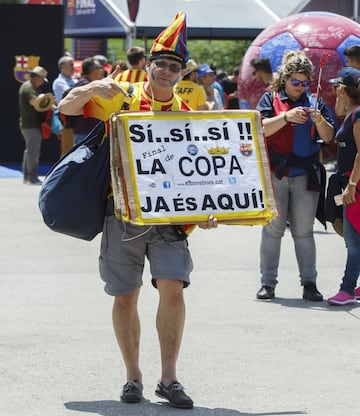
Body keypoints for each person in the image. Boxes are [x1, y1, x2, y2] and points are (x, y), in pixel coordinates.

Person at [59, 12, 217, 408]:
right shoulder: (121, 98)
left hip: (168, 220)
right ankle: (133, 376)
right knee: (125, 296)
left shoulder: (186, 115)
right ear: (149, 65)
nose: (166, 70)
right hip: (122, 214)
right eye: (160, 63)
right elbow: (68, 106)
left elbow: (199, 170)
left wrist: (209, 208)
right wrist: (96, 83)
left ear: (183, 74)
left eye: (174, 66)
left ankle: (169, 378)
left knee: (173, 288)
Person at [255, 50, 335, 301]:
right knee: (272, 231)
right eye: (295, 82)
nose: (300, 87)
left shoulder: (315, 101)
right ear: (284, 79)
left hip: (305, 176)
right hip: (276, 174)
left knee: (303, 232)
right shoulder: (270, 99)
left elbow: (329, 135)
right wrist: (286, 117)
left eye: (304, 83)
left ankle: (309, 284)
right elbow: (259, 129)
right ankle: (268, 283)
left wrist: (320, 119)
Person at [327, 67, 360, 305]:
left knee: (353, 241)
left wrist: (351, 185)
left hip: (355, 184)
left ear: (345, 89)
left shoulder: (358, 115)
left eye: (338, 88)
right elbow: (339, 110)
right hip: (350, 182)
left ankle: (347, 289)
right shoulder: (353, 112)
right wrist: (342, 98)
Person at [18, 66, 52, 185]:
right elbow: (35, 103)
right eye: (42, 79)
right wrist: (50, 104)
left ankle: (27, 176)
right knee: (33, 152)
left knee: (30, 151)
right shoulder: (28, 88)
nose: (42, 82)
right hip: (30, 125)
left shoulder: (30, 87)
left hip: (30, 125)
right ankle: (31, 176)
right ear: (37, 77)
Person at [64, 57, 104, 145]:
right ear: (94, 71)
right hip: (86, 132)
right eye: (100, 68)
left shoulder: (84, 84)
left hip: (86, 131)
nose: (102, 71)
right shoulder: (86, 86)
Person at [52, 55, 78, 156]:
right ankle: (63, 172)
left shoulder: (75, 80)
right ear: (62, 67)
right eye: (70, 65)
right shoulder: (59, 82)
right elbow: (71, 95)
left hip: (78, 120)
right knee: (67, 151)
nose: (73, 67)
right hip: (67, 120)